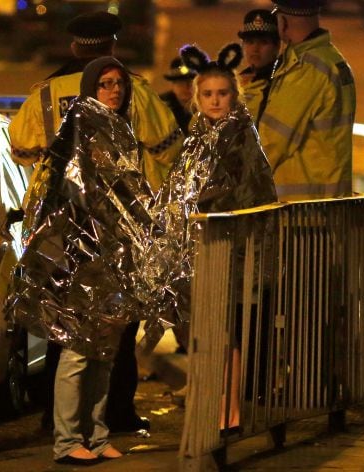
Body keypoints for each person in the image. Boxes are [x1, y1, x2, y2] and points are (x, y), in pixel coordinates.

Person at [9, 11, 183, 434]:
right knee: (117, 321)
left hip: (63, 224)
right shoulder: (132, 91)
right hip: (118, 225)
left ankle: (56, 419)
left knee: (60, 323)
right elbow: (168, 148)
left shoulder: (46, 94)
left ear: (73, 47)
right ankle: (117, 413)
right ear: (112, 47)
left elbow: (20, 147)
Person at [156, 43, 277, 429]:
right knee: (204, 330)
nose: (214, 100)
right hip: (199, 248)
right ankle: (209, 398)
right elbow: (180, 187)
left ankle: (230, 405)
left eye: (222, 93)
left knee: (231, 332)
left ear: (233, 95)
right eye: (207, 94)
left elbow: (254, 190)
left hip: (234, 247)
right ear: (197, 97)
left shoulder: (243, 135)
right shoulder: (193, 138)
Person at [258, 0, 356, 201]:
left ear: (282, 22)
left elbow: (270, 143)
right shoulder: (331, 59)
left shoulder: (306, 69)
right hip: (325, 205)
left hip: (303, 212)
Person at [237, 9, 280, 126]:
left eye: (263, 42)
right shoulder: (238, 80)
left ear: (277, 47)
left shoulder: (280, 84)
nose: (255, 49)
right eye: (250, 42)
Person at [160, 57, 196, 136]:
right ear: (172, 85)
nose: (187, 87)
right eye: (181, 82)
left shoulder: (206, 107)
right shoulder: (161, 107)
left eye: (191, 82)